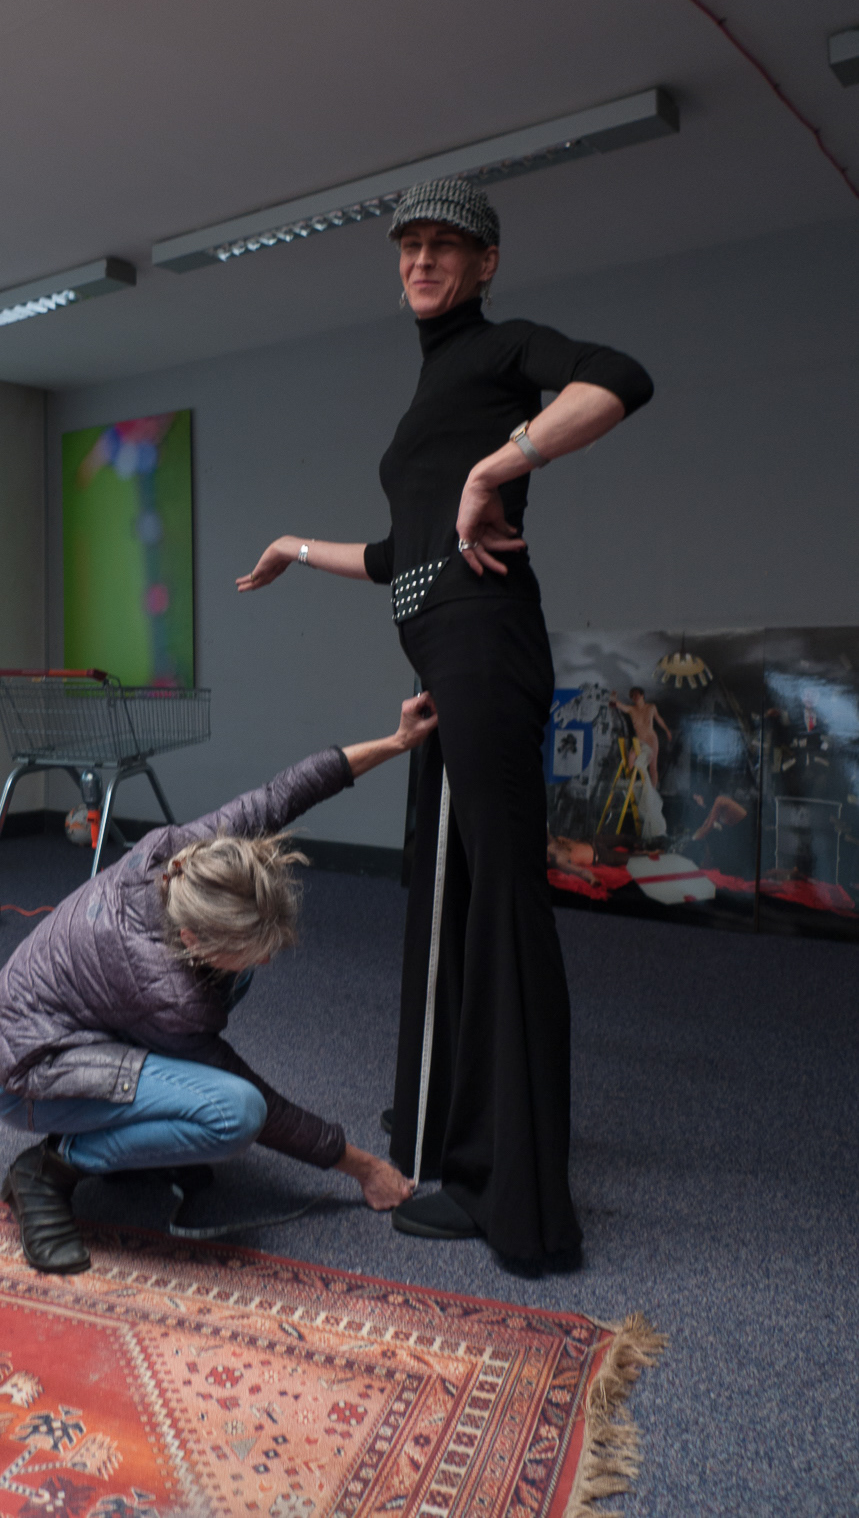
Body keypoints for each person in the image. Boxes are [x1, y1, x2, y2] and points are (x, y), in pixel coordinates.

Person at [237, 178, 653, 1266]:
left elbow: (620, 377)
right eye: (408, 245)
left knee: (502, 905)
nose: (421, 260)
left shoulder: (503, 348)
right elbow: (399, 554)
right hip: (444, 657)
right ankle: (448, 1130)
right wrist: (292, 547)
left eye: (444, 245)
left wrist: (498, 467)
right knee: (449, 898)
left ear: (485, 261)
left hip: (486, 645)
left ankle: (512, 1199)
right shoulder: (437, 382)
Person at [0, 696, 437, 1274]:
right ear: (192, 939)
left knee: (233, 984)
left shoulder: (187, 857)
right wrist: (364, 1167)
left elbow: (285, 793)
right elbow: (263, 1106)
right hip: (27, 1072)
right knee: (233, 1114)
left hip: (72, 1018)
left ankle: (136, 1134)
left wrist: (396, 742)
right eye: (252, 948)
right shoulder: (169, 993)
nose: (267, 961)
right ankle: (49, 1171)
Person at [611, 687, 673, 787]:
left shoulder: (651, 707)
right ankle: (631, 784)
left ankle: (653, 790)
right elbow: (615, 705)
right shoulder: (631, 709)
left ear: (642, 695)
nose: (635, 697)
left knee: (653, 767)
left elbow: (659, 719)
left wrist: (667, 731)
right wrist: (613, 696)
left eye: (637, 695)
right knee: (631, 758)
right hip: (640, 740)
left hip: (651, 739)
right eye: (632, 696)